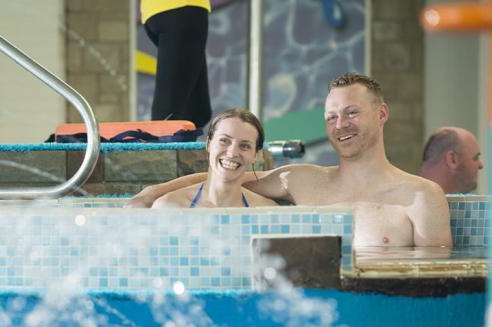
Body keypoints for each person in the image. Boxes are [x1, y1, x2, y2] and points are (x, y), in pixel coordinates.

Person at [128, 72, 452, 248]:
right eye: (331, 117)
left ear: (381, 114)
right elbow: (225, 177)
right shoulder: (301, 180)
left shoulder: (421, 197)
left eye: (352, 113)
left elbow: (437, 288)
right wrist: (152, 193)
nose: (340, 125)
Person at [153, 108, 276, 208]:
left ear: (255, 155)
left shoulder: (266, 211)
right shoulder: (170, 207)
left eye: (244, 146)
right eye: (224, 141)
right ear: (208, 144)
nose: (232, 153)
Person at [141, 0, 212, 128]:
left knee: (198, 111)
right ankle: (160, 147)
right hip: (182, 9)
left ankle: (183, 147)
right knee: (168, 113)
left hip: (157, 11)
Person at [420, 126, 483, 194]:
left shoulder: (412, 198)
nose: (481, 165)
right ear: (452, 159)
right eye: (475, 158)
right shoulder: (410, 202)